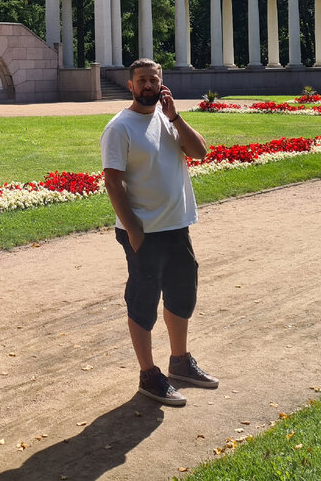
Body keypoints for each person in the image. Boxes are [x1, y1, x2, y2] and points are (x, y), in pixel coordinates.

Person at [100, 58, 217, 406]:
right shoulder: (119, 127)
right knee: (143, 301)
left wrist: (176, 117)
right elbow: (112, 182)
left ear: (162, 83)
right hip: (143, 233)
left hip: (176, 225)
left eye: (154, 79)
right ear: (130, 86)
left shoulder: (168, 122)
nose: (148, 85)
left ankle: (180, 361)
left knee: (183, 295)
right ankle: (149, 374)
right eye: (142, 80)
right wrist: (134, 230)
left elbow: (200, 152)